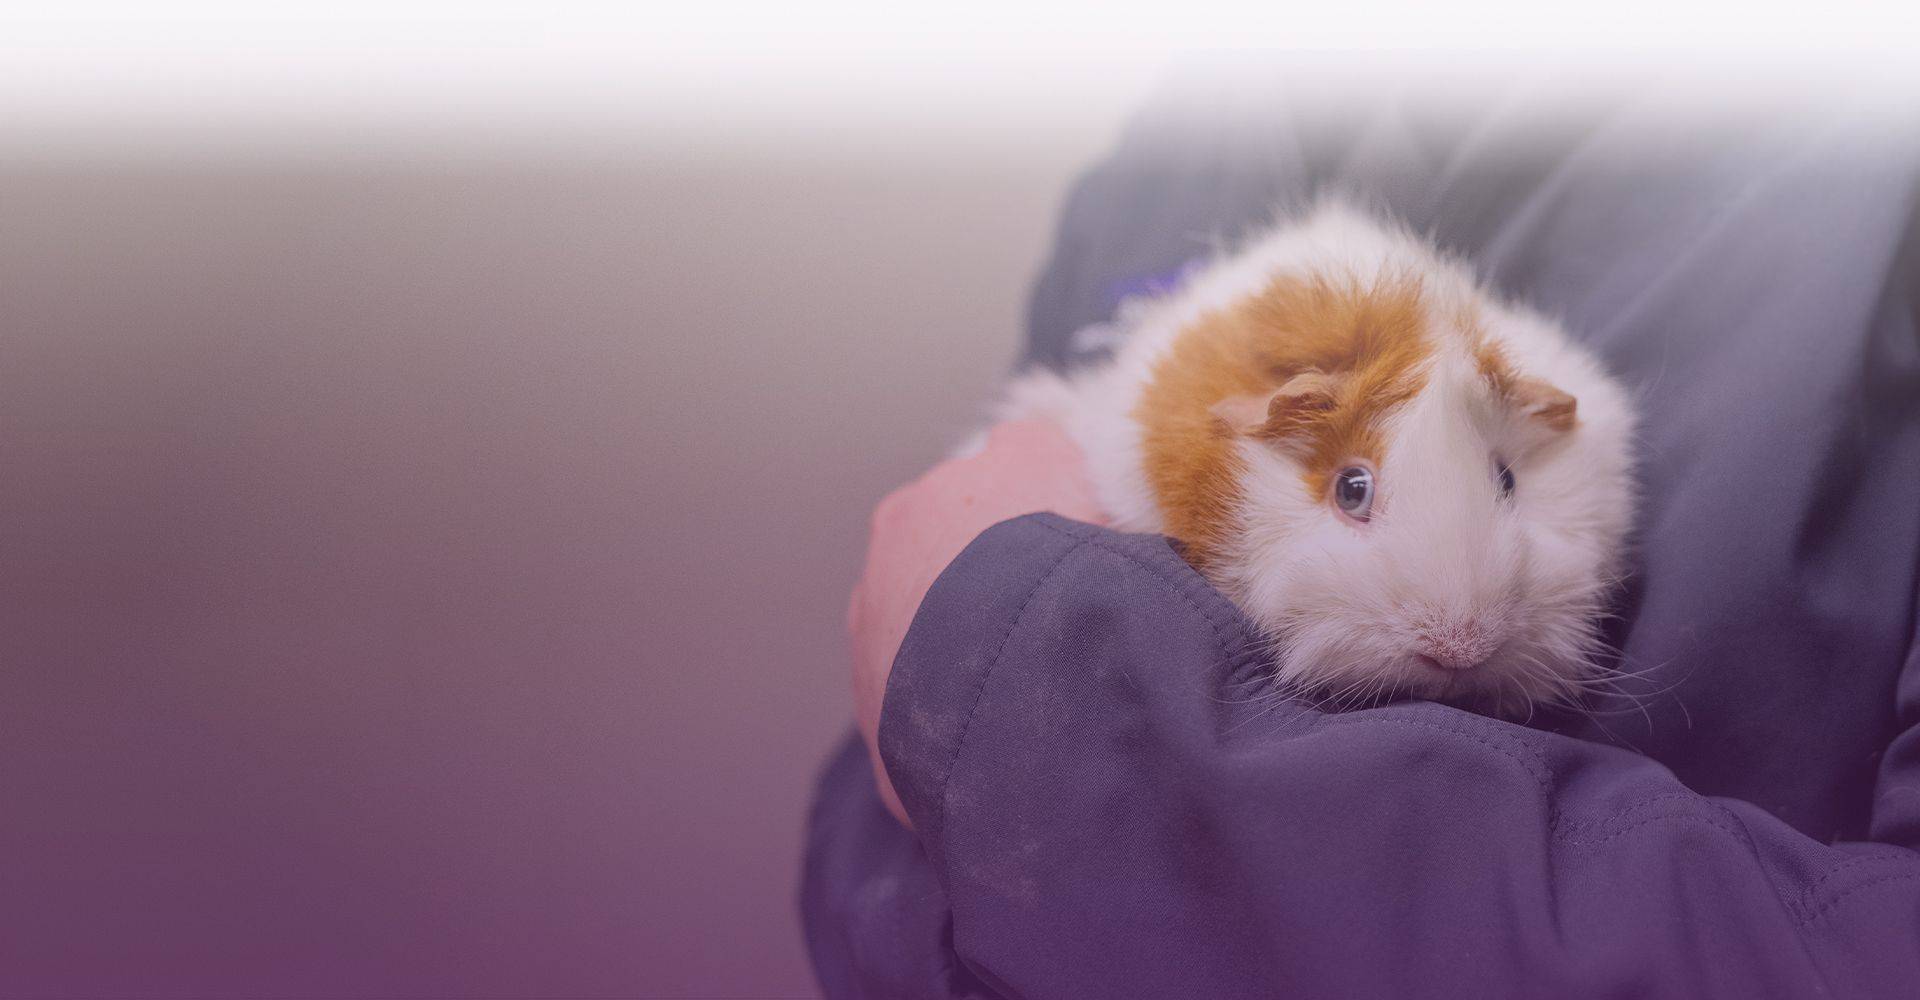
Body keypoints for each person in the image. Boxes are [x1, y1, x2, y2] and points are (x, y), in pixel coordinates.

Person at [804, 66, 1920, 998]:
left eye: (1497, 479)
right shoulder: (1176, 137)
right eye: (1352, 494)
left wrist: (1028, 717)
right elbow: (867, 832)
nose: (1456, 629)